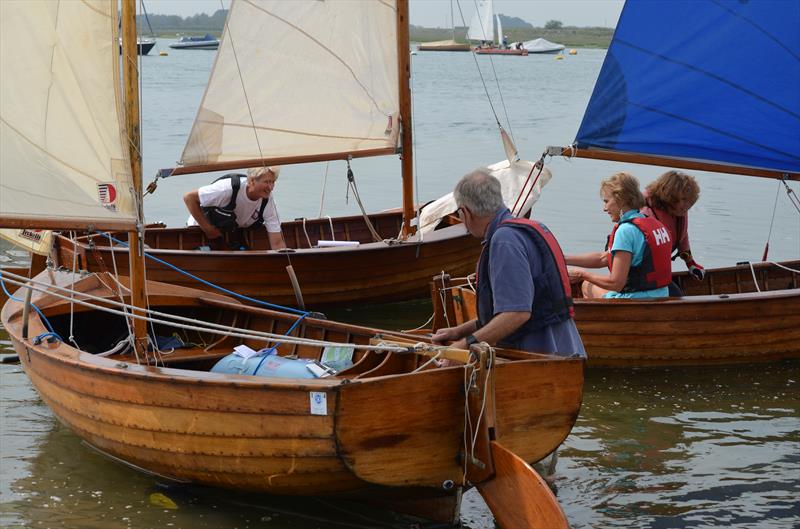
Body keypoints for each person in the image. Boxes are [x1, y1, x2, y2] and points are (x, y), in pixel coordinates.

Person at [432, 169, 585, 358]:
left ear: (465, 212)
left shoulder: (504, 241)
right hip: (565, 352)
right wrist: (459, 332)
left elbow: (517, 313)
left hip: (544, 360)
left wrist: (464, 346)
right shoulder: (524, 229)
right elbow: (514, 308)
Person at [565, 172, 672, 299]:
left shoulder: (626, 230)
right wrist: (563, 258)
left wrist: (582, 274)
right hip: (662, 296)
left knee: (586, 285)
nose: (604, 208)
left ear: (620, 200)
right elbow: (603, 258)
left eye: (606, 201)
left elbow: (616, 283)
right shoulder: (653, 223)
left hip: (637, 302)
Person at [184, 166, 286, 250]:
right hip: (200, 230)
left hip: (231, 232)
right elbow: (189, 198)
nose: (270, 187)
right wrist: (208, 229)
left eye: (273, 182)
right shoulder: (226, 188)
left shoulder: (268, 200)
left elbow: (277, 242)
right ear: (251, 181)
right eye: (267, 182)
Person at [642, 170, 704, 280]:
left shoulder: (678, 211)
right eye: (684, 200)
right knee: (676, 295)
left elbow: (682, 237)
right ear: (670, 197)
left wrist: (691, 264)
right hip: (641, 274)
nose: (688, 205)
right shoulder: (644, 214)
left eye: (690, 200)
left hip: (660, 271)